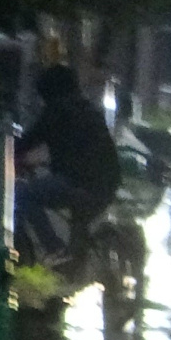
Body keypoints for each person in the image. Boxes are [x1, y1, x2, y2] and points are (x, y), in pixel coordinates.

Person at [15, 64, 121, 262]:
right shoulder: (88, 108)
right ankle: (74, 264)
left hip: (80, 183)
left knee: (23, 195)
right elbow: (79, 149)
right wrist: (40, 160)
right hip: (107, 183)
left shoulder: (58, 110)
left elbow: (26, 142)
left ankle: (53, 247)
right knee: (78, 228)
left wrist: (10, 154)